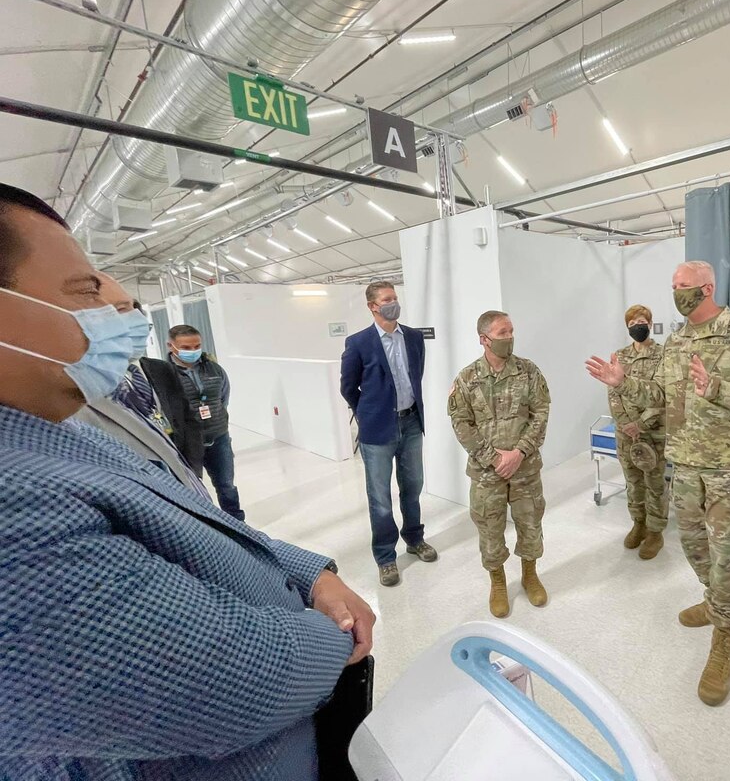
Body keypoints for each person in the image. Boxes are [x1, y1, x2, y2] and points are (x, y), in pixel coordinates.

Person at [0, 183, 375, 780]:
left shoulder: (60, 425)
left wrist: (309, 574)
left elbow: (192, 518)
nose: (114, 309)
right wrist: (336, 631)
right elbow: (236, 680)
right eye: (85, 292)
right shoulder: (13, 507)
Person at [586, 261, 730, 706]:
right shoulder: (676, 342)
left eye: (684, 286)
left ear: (707, 288)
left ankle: (725, 637)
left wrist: (714, 388)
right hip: (686, 464)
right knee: (693, 545)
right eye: (673, 286)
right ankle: (717, 602)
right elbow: (664, 399)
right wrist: (625, 381)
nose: (677, 292)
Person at [448, 310, 551, 618]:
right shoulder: (467, 379)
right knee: (490, 530)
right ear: (484, 339)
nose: (510, 337)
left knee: (530, 524)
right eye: (503, 333)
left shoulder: (529, 372)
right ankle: (498, 583)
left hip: (525, 468)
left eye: (511, 331)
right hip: (486, 474)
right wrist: (495, 459)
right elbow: (461, 423)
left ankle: (530, 574)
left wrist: (518, 453)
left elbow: (541, 413)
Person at [75, 274, 209, 498]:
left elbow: (188, 419)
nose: (135, 317)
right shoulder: (84, 394)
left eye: (134, 307)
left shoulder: (162, 370)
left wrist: (192, 469)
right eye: (119, 309)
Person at [340, 281, 436, 587]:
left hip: (410, 423)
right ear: (372, 306)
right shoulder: (358, 343)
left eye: (394, 298)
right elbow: (347, 387)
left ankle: (414, 539)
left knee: (413, 486)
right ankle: (385, 557)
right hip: (377, 429)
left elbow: (415, 374)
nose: (393, 303)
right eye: (386, 299)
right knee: (379, 497)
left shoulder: (413, 337)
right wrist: (369, 413)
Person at [142, 324, 244, 521]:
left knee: (226, 484)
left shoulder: (214, 369)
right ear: (171, 346)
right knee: (192, 485)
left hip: (218, 436)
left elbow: (223, 398)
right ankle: (207, 523)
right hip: (186, 442)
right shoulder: (162, 374)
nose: (193, 352)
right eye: (186, 348)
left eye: (196, 346)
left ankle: (237, 522)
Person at [608, 304, 668, 559]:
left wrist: (641, 424)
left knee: (654, 484)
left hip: (653, 432)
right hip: (626, 434)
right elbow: (613, 392)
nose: (637, 326)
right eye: (632, 324)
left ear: (650, 323)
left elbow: (664, 395)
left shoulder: (664, 355)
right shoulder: (619, 356)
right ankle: (639, 523)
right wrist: (624, 424)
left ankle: (655, 532)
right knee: (633, 481)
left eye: (641, 321)